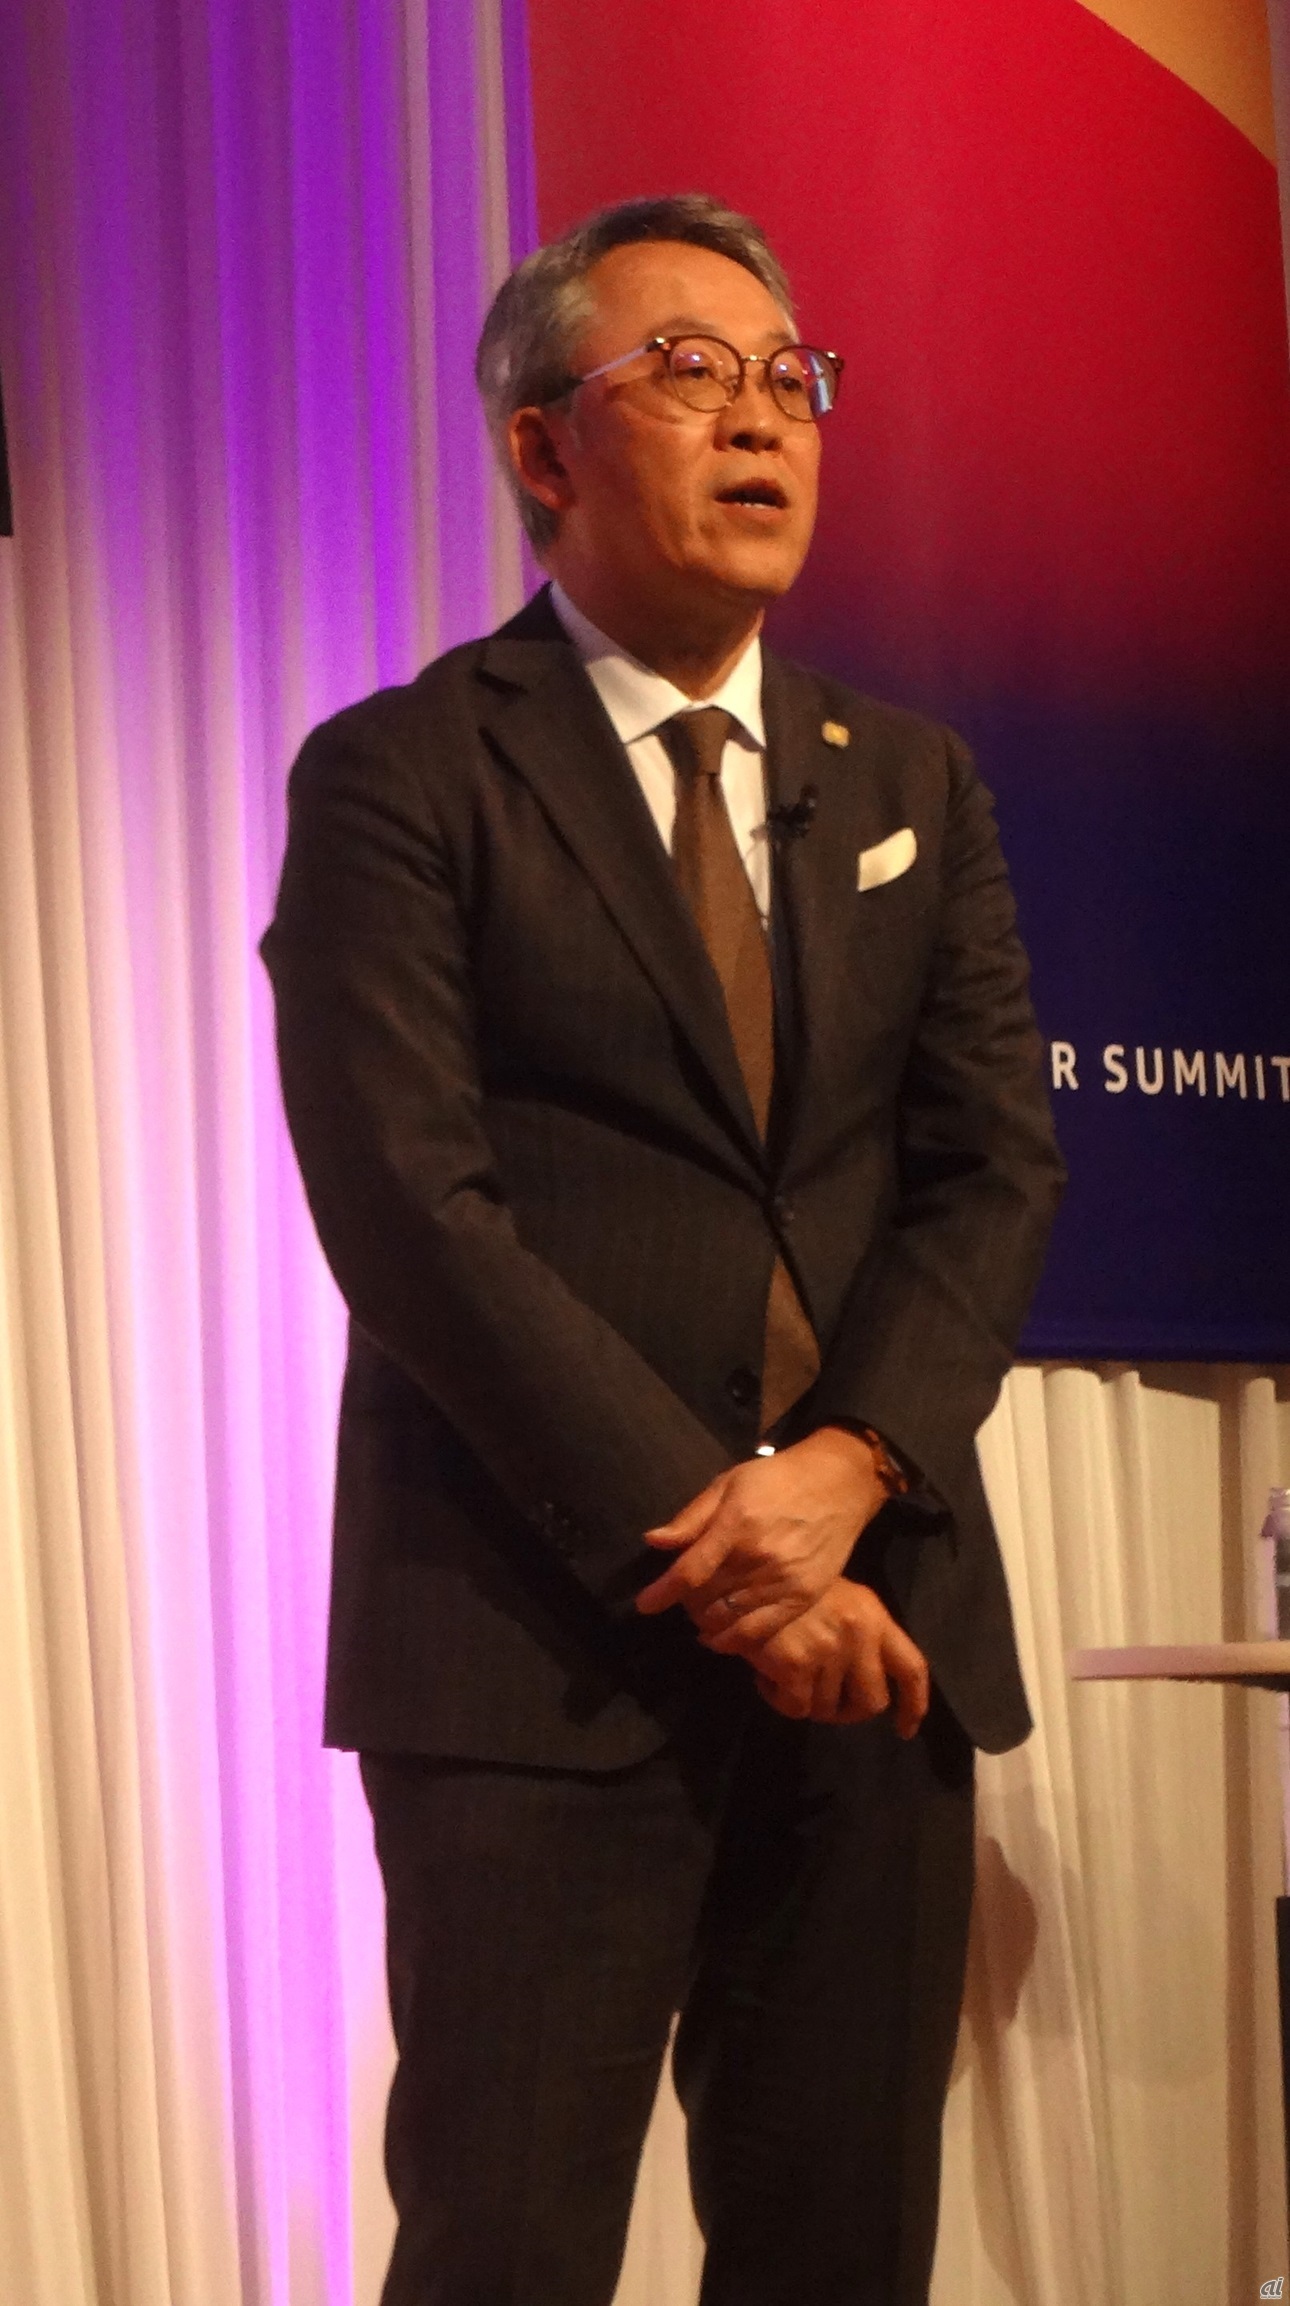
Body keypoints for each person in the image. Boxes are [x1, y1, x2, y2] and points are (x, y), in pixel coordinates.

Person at [262, 193, 1065, 2306]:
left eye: (791, 376)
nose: (763, 417)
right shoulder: (405, 773)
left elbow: (994, 1170)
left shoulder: (909, 781)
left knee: (838, 2252)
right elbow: (410, 1210)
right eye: (690, 372)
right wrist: (730, 1550)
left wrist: (846, 1477)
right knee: (510, 2249)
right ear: (542, 446)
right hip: (538, 1645)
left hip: (877, 1634)